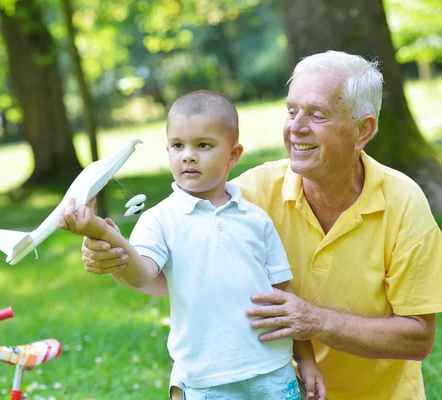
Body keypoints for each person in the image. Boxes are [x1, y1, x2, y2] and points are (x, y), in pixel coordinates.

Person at [79, 50, 442, 400]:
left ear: (362, 130)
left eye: (316, 115)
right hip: (271, 385)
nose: (295, 128)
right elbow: (168, 273)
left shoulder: (403, 204)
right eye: (291, 111)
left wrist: (315, 321)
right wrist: (113, 255)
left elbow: (418, 339)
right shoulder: (247, 196)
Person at [59, 90, 326, 400]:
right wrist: (103, 233)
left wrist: (306, 360)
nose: (188, 155)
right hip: (206, 381)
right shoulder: (160, 220)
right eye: (178, 145)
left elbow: (284, 295)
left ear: (234, 155)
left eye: (203, 145)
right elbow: (141, 274)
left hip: (273, 372)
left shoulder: (256, 218)